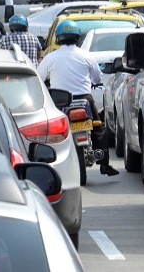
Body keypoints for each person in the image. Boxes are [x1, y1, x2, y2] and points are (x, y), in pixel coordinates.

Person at [37, 20, 119, 176]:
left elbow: (39, 78)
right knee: (99, 128)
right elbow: (97, 78)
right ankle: (104, 164)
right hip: (85, 99)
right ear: (77, 37)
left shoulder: (51, 57)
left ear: (59, 38)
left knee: (54, 128)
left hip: (59, 100)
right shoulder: (86, 56)